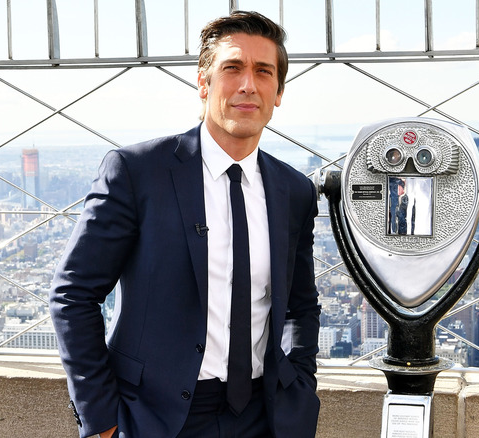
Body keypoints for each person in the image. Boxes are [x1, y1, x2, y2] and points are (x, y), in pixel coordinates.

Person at [49, 10, 321, 438]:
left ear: (279, 91)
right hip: (155, 419)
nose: (248, 85)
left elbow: (301, 305)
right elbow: (73, 294)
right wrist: (101, 418)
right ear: (203, 81)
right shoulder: (137, 172)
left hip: (264, 417)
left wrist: (300, 385)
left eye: (263, 72)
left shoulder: (295, 190)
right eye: (232, 68)